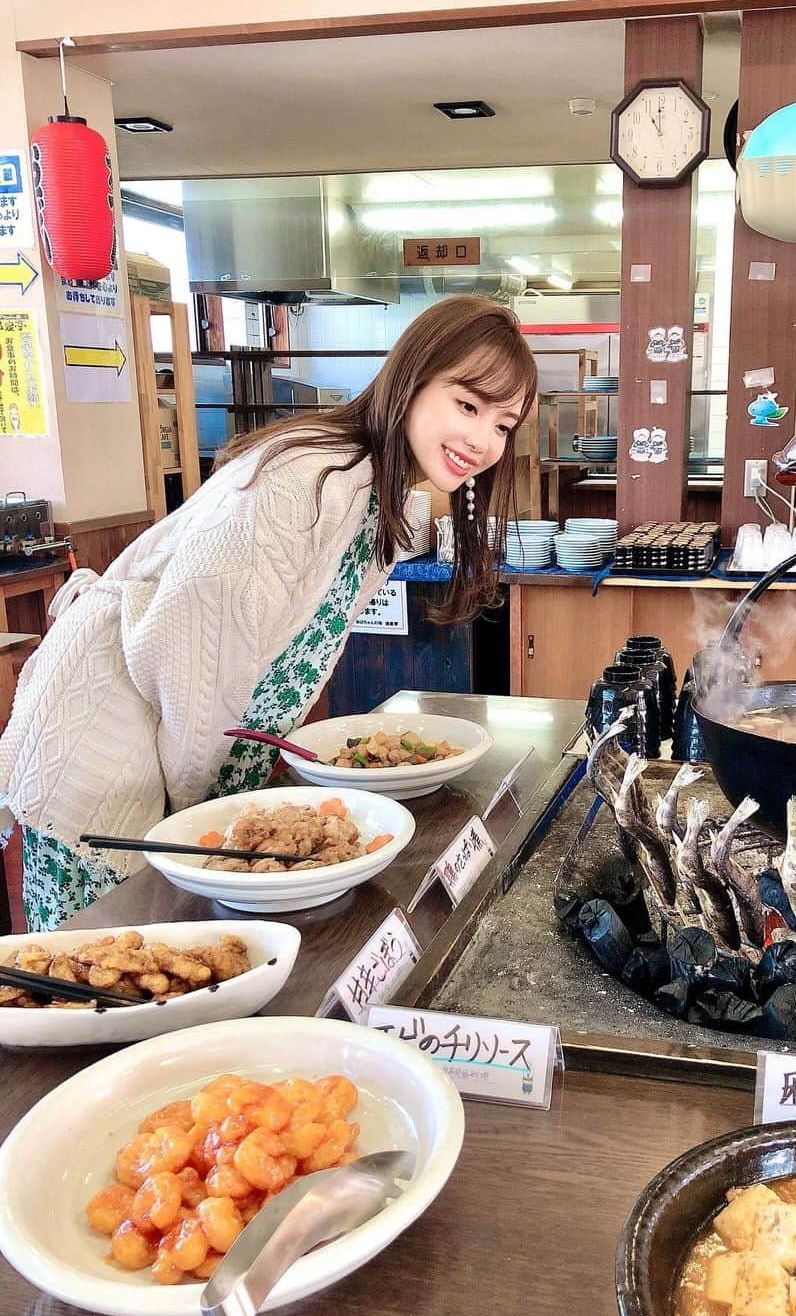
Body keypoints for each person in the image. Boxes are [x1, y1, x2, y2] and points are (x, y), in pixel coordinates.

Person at [0, 296, 537, 931]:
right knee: (106, 975)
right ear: (411, 380)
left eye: (503, 425)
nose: (481, 440)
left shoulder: (374, 487)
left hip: (179, 764)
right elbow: (187, 659)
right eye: (467, 405)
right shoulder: (305, 481)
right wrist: (219, 819)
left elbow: (393, 525)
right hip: (109, 756)